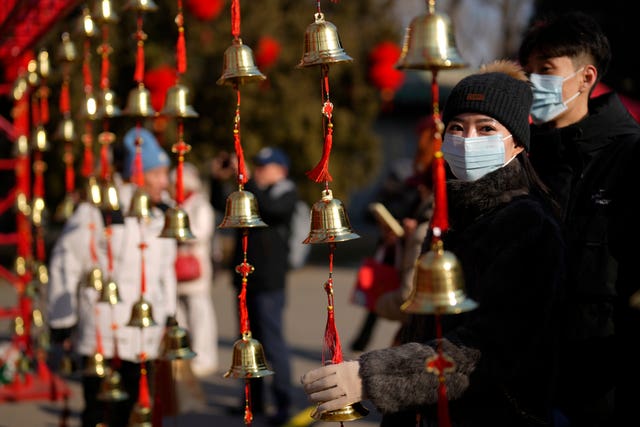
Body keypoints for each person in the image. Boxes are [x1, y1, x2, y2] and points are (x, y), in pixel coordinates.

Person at [300, 61, 566, 426]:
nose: (467, 140)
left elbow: (485, 348)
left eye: (486, 128)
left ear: (517, 142)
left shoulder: (529, 225)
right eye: (456, 128)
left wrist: (372, 377)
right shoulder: (453, 211)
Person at [518, 11, 640, 426]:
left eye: (546, 70)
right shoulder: (527, 161)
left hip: (605, 387)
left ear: (587, 77)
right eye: (528, 71)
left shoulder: (629, 158)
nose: (534, 82)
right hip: (531, 380)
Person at [47, 126, 177, 427]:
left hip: (146, 331)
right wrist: (61, 321)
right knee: (100, 411)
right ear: (137, 172)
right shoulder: (100, 208)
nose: (164, 182)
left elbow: (164, 271)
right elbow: (67, 261)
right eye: (157, 173)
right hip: (103, 333)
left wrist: (170, 315)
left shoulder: (160, 214)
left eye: (165, 173)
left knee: (139, 409)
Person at [210, 146, 298, 426]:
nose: (259, 170)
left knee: (272, 344)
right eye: (256, 166)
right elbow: (219, 203)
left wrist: (246, 180)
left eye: (264, 166)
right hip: (245, 280)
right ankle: (252, 401)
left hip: (270, 282)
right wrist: (217, 178)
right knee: (248, 344)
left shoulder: (286, 193)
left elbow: (268, 211)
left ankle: (284, 403)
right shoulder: (252, 190)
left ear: (280, 169)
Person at [170, 162, 218, 377]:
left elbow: (202, 232)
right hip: (174, 265)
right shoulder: (170, 203)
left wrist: (178, 233)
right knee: (178, 313)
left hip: (194, 265)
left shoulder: (200, 205)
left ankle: (205, 356)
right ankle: (184, 352)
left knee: (200, 312)